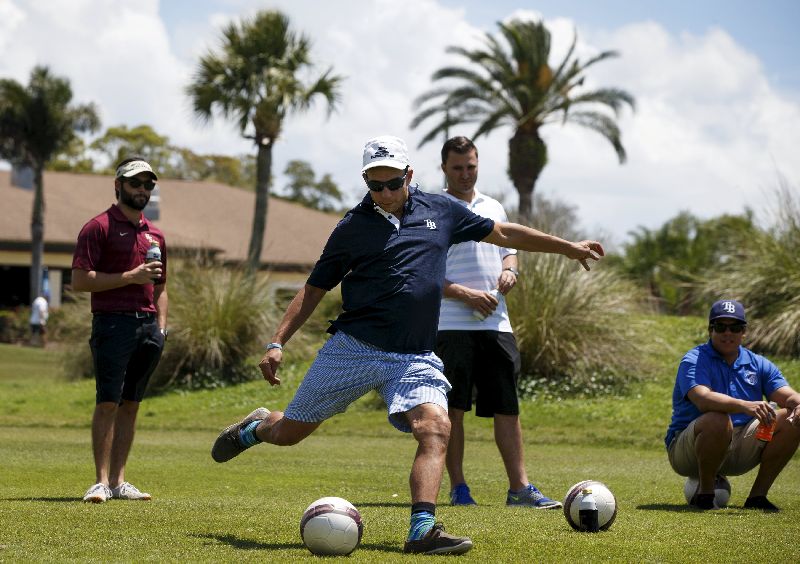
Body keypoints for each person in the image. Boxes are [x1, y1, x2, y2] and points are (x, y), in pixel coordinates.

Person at [211, 135, 604, 555]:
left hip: (413, 355)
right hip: (353, 349)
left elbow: (504, 232)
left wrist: (567, 247)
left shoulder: (441, 209)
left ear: (409, 176)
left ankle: (422, 529)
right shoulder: (351, 228)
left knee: (435, 427)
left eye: (393, 183)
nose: (384, 193)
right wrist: (277, 342)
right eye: (374, 185)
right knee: (289, 433)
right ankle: (254, 429)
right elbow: (313, 290)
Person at [435, 136, 561, 510]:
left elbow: (510, 254)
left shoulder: (494, 207)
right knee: (452, 410)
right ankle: (459, 489)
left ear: (478, 164)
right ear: (444, 168)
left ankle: (519, 489)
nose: (465, 173)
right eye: (457, 167)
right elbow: (425, 275)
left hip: (497, 325)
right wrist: (465, 294)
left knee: (508, 408)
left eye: (470, 166)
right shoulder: (434, 209)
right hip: (450, 326)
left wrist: (510, 272)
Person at [71, 156, 169, 504]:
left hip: (148, 328)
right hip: (112, 324)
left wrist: (161, 327)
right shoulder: (98, 227)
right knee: (108, 402)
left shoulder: (154, 233)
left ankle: (118, 481)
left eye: (147, 185)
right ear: (118, 186)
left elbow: (160, 286)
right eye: (134, 183)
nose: (142, 190)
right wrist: (131, 277)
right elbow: (81, 280)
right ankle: (99, 482)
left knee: (132, 404)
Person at [665, 299, 800, 511]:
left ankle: (757, 498)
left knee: (794, 419)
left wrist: (798, 404)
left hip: (740, 446)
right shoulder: (694, 359)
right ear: (710, 330)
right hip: (688, 450)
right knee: (717, 417)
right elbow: (702, 399)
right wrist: (744, 406)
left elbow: (787, 395)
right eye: (721, 327)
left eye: (735, 327)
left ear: (743, 332)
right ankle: (706, 496)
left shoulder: (758, 363)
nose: (728, 333)